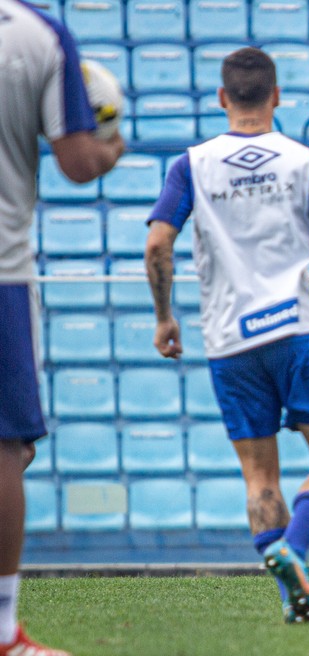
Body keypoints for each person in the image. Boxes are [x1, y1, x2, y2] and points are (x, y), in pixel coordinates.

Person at [144, 47, 309, 624]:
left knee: (259, 476)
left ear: (222, 98)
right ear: (276, 97)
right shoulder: (304, 160)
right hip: (294, 329)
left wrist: (165, 316)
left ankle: (283, 575)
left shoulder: (190, 164)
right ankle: (295, 545)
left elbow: (157, 244)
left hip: (227, 340)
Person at [0, 0, 125, 652]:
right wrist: (111, 150)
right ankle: (1, 633)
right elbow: (77, 161)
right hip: (0, 270)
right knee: (5, 450)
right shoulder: (40, 34)